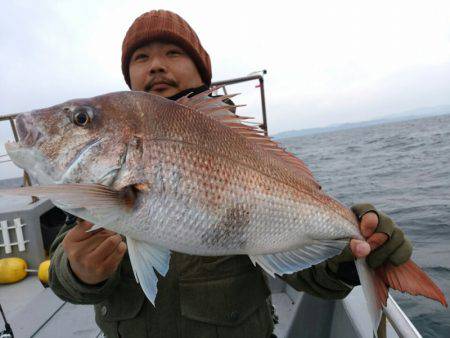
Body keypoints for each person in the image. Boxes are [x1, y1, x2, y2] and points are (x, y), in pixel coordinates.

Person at [49, 9, 412, 338]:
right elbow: (63, 272)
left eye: (173, 53)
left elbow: (298, 266)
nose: (156, 65)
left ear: (202, 72)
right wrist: (78, 270)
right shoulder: (94, 172)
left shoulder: (246, 148)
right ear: (129, 78)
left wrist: (347, 257)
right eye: (141, 57)